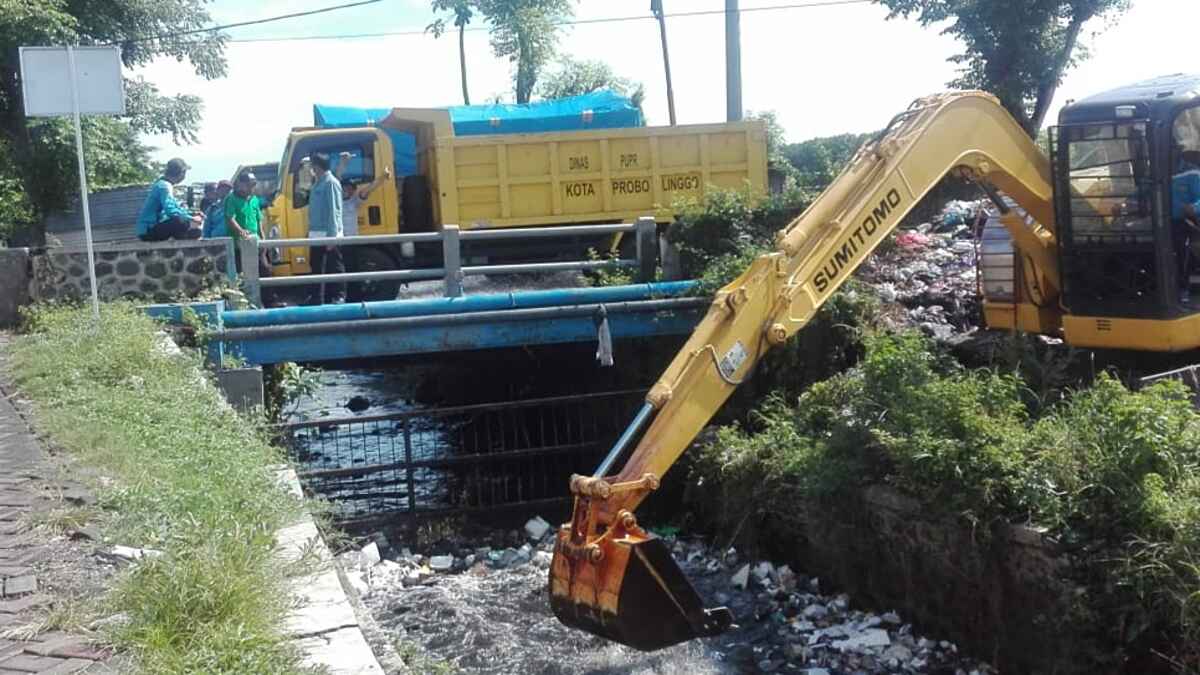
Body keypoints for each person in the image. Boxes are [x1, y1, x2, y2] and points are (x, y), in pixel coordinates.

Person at [307, 153, 346, 304]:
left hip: (329, 233)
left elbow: (334, 211)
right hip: (316, 233)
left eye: (312, 166)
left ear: (317, 166)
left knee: (334, 265)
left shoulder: (331, 183)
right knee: (316, 266)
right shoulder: (318, 183)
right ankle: (317, 297)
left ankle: (339, 295)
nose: (311, 169)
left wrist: (332, 236)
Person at [136, 158, 202, 241]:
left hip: (148, 229)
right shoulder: (164, 186)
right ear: (182, 173)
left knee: (187, 224)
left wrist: (192, 214)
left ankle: (185, 239)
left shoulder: (162, 184)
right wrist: (192, 219)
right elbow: (171, 211)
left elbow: (176, 208)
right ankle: (186, 241)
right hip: (149, 230)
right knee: (181, 222)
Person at [225, 172, 271, 275]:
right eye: (249, 184)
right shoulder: (231, 198)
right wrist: (241, 231)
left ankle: (268, 291)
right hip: (239, 244)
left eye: (253, 184)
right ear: (241, 184)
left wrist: (263, 239)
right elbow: (230, 218)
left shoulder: (254, 199)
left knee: (264, 270)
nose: (252, 187)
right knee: (242, 274)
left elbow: (258, 220)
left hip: (255, 242)